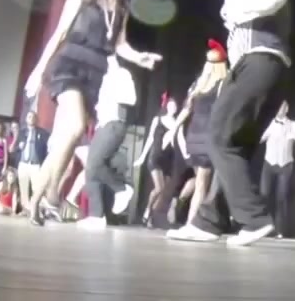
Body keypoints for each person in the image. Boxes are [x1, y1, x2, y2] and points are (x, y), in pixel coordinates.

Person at [24, 0, 162, 226]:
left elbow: (120, 45)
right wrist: (37, 71)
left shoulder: (121, 7)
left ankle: (44, 199)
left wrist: (140, 57)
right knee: (75, 127)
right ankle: (43, 199)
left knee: (69, 137)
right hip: (69, 65)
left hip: (95, 74)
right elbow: (60, 33)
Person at [167, 0, 289, 247]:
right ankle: (210, 220)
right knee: (235, 147)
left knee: (219, 136)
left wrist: (239, 13)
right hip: (267, 66)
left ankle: (255, 218)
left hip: (258, 61)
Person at [165, 39, 229, 226]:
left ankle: (191, 220)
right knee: (203, 184)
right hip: (208, 137)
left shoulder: (198, 85)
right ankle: (193, 224)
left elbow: (186, 110)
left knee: (200, 181)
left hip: (193, 137)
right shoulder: (222, 85)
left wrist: (173, 130)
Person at [78, 55, 138, 230]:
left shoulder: (122, 74)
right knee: (91, 169)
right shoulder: (103, 77)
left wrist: (113, 92)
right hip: (103, 125)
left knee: (95, 164)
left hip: (114, 124)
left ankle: (122, 189)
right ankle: (96, 216)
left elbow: (131, 99)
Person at [260, 101, 295, 237]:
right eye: (278, 106)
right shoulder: (270, 123)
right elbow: (259, 139)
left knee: (281, 198)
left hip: (285, 165)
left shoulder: (293, 125)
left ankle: (280, 230)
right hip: (269, 163)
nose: (279, 109)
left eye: (282, 106)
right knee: (264, 195)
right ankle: (261, 227)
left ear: (287, 108)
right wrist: (266, 133)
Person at [133, 92, 181, 227]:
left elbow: (177, 142)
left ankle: (150, 216)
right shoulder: (158, 119)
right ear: (166, 106)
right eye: (170, 105)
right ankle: (147, 210)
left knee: (164, 191)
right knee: (159, 188)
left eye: (175, 106)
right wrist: (142, 157)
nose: (173, 108)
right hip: (155, 156)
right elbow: (150, 139)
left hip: (168, 159)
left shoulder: (177, 123)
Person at [12, 111, 49, 214]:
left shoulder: (43, 133)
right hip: (23, 164)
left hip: (35, 165)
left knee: (37, 188)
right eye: (29, 116)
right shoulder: (21, 132)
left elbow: (46, 149)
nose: (31, 118)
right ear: (26, 119)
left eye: (33, 117)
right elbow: (14, 149)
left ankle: (37, 210)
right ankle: (26, 210)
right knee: (23, 189)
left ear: (36, 119)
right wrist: (19, 147)